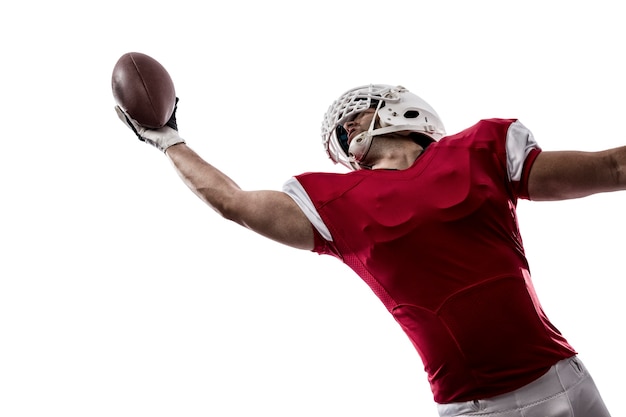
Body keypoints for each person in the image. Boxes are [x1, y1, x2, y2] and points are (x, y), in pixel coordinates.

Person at [115, 84, 615, 416]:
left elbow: (610, 168)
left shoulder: (480, 149)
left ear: (402, 108)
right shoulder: (334, 202)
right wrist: (169, 140)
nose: (346, 127)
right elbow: (233, 203)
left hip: (562, 373)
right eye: (341, 128)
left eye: (356, 114)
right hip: (478, 405)